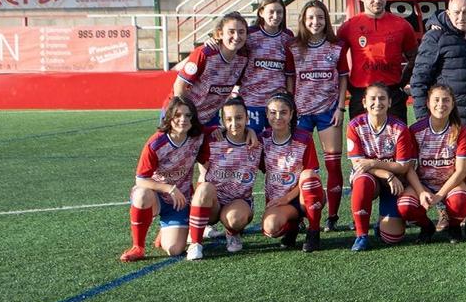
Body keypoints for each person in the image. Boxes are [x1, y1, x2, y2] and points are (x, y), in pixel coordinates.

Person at [123, 97, 205, 261]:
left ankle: (164, 231)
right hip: (156, 197)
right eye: (178, 115)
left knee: (175, 250)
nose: (183, 120)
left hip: (179, 202)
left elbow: (226, 131)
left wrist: (250, 132)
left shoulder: (198, 138)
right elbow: (140, 179)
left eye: (188, 116)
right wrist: (169, 188)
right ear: (169, 117)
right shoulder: (156, 143)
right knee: (141, 194)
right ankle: (138, 247)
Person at [288, 1, 347, 230]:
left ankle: (332, 217)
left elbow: (343, 78)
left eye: (320, 17)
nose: (315, 22)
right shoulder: (292, 46)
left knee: (333, 166)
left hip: (328, 111)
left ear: (326, 20)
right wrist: (291, 109)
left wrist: (340, 108)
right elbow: (290, 79)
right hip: (301, 113)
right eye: (311, 17)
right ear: (303, 19)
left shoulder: (337, 46)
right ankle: (300, 214)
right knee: (300, 168)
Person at [187, 98, 262, 260]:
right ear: (222, 121)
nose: (234, 123)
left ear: (247, 119)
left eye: (239, 118)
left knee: (235, 219)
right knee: (205, 187)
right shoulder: (212, 139)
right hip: (213, 202)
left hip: (239, 201)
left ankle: (232, 232)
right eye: (229, 119)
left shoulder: (258, 143)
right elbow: (189, 132)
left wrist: (252, 131)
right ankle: (196, 243)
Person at [401, 84, 466, 244]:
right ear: (427, 103)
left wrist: (440, 195)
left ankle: (454, 226)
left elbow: (461, 171)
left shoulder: (460, 131)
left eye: (446, 100)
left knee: (460, 201)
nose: (441, 104)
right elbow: (409, 168)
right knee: (405, 206)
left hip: (451, 183)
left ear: (453, 103)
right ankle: (426, 227)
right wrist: (420, 192)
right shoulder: (415, 130)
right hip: (423, 184)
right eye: (436, 100)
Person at [339, 0, 419, 122]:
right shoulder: (348, 27)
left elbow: (415, 57)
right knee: (361, 141)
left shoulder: (402, 25)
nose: (377, 0)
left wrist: (402, 81)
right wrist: (349, 85)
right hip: (360, 93)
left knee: (396, 140)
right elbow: (337, 58)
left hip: (392, 93)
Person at [345, 84, 414, 251]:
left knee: (392, 237)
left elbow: (404, 166)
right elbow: (358, 164)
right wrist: (386, 173)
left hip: (394, 181)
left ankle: (381, 224)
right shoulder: (355, 125)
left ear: (390, 102)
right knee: (361, 181)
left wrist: (374, 163)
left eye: (382, 98)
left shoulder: (399, 128)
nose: (378, 102)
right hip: (374, 176)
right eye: (373, 98)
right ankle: (361, 235)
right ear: (364, 102)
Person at [410, 0, 466, 130]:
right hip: (445, 122)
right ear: (448, 13)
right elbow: (419, 81)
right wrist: (424, 121)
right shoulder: (435, 37)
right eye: (456, 12)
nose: (461, 17)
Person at [257, 92, 325, 253]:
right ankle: (292, 228)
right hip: (278, 201)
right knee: (271, 227)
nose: (278, 117)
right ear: (267, 114)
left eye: (283, 112)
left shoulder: (303, 138)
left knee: (308, 177)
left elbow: (312, 173)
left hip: (303, 196)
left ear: (291, 114)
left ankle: (313, 231)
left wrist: (287, 198)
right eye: (273, 112)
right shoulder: (262, 139)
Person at [174, 12, 252, 128]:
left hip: (210, 118)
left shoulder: (243, 58)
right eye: (231, 31)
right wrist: (185, 116)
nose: (236, 37)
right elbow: (179, 86)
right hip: (184, 115)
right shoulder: (205, 53)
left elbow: (238, 87)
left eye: (241, 32)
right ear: (220, 34)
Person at [240, 0, 295, 135]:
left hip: (277, 104)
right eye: (271, 12)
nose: (276, 16)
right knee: (253, 144)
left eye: (279, 12)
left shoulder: (287, 36)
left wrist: (289, 98)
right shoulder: (250, 34)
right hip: (252, 101)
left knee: (275, 147)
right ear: (261, 12)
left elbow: (289, 72)